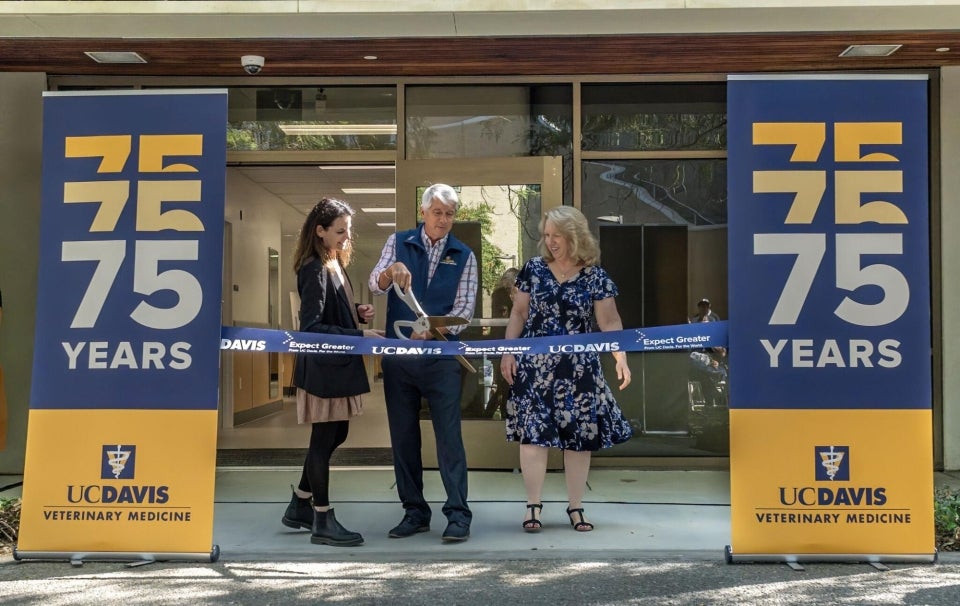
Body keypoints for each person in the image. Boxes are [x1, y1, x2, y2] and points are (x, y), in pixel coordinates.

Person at [499, 206, 633, 533]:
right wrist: (508, 352)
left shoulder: (595, 277)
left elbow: (610, 321)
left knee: (579, 439)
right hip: (535, 369)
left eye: (556, 235)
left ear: (574, 235)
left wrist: (620, 356)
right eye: (547, 235)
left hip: (579, 369)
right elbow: (518, 313)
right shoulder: (533, 269)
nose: (551, 241)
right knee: (533, 436)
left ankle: (576, 507)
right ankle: (533, 506)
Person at [368, 183, 478, 543]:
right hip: (400, 362)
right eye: (437, 212)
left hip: (441, 360)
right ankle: (414, 512)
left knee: (449, 438)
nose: (443, 220)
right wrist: (390, 271)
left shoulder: (464, 255)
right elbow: (374, 284)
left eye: (449, 214)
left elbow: (463, 311)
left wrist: (432, 330)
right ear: (423, 212)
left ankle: (458, 514)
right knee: (403, 438)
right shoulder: (397, 243)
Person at [282, 197, 384, 547]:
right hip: (324, 371)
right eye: (340, 231)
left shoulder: (332, 262)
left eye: (348, 230)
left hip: (335, 368)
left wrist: (356, 310)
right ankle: (321, 518)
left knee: (335, 436)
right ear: (320, 231)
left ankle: (300, 503)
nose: (346, 236)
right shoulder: (313, 267)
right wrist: (359, 334)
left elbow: (328, 310)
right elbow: (311, 326)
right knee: (324, 441)